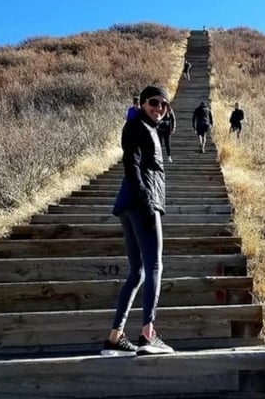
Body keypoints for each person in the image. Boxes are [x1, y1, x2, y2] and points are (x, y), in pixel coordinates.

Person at [101, 85, 174, 357]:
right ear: (143, 103)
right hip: (143, 203)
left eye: (164, 105)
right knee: (155, 266)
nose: (159, 108)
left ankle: (115, 338)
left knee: (138, 272)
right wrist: (146, 203)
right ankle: (148, 334)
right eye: (154, 102)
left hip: (130, 204)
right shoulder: (136, 127)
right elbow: (131, 165)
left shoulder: (148, 128)